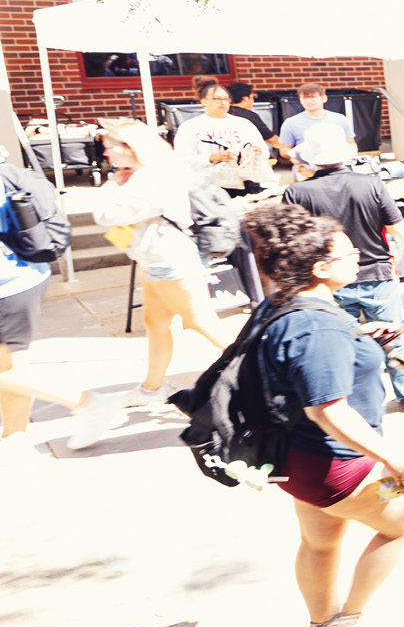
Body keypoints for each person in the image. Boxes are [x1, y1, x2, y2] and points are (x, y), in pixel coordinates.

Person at [242, 202, 404, 627]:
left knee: (320, 544)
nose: (359, 255)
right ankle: (349, 618)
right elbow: (327, 409)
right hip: (335, 462)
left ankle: (321, 625)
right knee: (400, 525)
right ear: (321, 268)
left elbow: (299, 365)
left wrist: (359, 338)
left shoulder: (284, 304)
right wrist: (392, 458)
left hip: (295, 460)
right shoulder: (318, 327)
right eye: (348, 253)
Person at [92, 119, 234, 405]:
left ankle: (267, 374)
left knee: (202, 322)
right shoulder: (150, 172)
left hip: (171, 259)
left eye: (111, 147)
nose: (107, 154)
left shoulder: (151, 177)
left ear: (130, 147)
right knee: (155, 322)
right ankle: (151, 388)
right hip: (158, 259)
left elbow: (107, 216)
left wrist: (111, 187)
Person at [282, 124, 404, 412]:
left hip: (326, 280)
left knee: (340, 342)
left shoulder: (296, 192)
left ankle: (349, 400)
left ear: (311, 158)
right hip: (377, 273)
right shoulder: (370, 183)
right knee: (392, 337)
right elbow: (397, 228)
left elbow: (290, 241)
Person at [0, 145, 121, 451]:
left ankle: (87, 402)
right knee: (8, 368)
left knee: (7, 368)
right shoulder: (7, 170)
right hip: (23, 277)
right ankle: (14, 435)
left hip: (9, 284)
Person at [174, 81, 273, 198]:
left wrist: (255, 153)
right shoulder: (190, 127)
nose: (223, 102)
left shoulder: (243, 124)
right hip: (208, 187)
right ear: (203, 101)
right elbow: (182, 161)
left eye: (226, 99)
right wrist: (212, 158)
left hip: (246, 184)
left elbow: (265, 152)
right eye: (217, 98)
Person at [278, 82, 357, 154]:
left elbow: (351, 143)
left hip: (337, 165)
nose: (309, 101)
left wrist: (350, 155)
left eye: (313, 97)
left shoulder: (340, 119)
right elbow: (284, 149)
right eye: (305, 98)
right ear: (300, 100)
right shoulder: (291, 123)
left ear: (324, 98)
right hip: (307, 166)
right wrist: (297, 155)